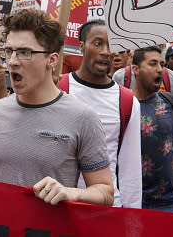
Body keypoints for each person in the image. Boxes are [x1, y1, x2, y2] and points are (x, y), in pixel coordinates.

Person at [0, 9, 113, 206]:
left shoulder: (83, 117)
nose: (12, 61)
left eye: (25, 52)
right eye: (9, 51)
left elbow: (105, 192)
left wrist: (71, 193)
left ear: (52, 60)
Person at [62, 19, 142, 208]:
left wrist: (131, 221)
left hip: (108, 210)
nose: (106, 51)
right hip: (61, 207)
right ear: (82, 46)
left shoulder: (128, 101)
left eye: (111, 45)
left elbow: (130, 169)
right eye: (98, 43)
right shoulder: (58, 89)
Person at [132, 46, 173, 212]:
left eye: (162, 64)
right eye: (153, 64)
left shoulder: (172, 103)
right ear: (136, 69)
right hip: (131, 201)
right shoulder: (121, 104)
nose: (160, 70)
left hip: (169, 202)